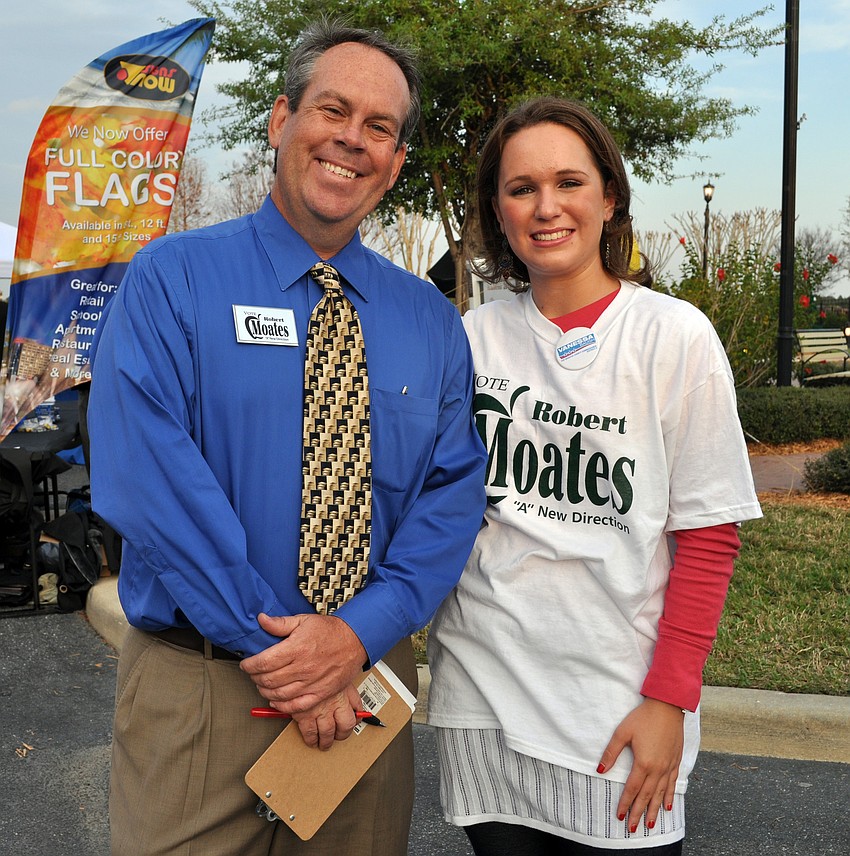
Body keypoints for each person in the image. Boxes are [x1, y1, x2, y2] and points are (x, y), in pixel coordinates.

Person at [88, 18, 486, 856]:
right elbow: (148, 480)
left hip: (363, 687)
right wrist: (293, 656)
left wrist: (354, 637)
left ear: (397, 162)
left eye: (380, 128)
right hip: (199, 693)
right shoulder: (173, 279)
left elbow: (450, 502)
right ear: (280, 122)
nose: (352, 139)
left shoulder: (429, 322)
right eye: (333, 110)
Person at [426, 97, 762, 855]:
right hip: (483, 693)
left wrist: (670, 699)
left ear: (610, 197)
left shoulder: (674, 337)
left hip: (616, 711)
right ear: (498, 211)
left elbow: (709, 539)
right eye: (520, 189)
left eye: (569, 182)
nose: (546, 207)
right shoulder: (472, 339)